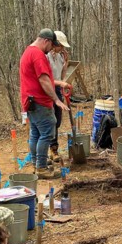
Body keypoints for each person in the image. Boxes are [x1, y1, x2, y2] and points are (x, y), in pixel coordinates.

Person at [21, 29, 69, 178]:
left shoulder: (28, 51)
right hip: (39, 101)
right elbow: (44, 80)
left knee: (35, 133)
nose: (51, 49)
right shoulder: (38, 55)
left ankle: (37, 164)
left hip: (30, 100)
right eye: (51, 45)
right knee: (48, 131)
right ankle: (41, 167)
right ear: (46, 41)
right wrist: (56, 99)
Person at [46, 30, 73, 164]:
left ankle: (54, 148)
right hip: (47, 90)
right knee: (49, 121)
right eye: (60, 46)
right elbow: (46, 79)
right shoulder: (46, 57)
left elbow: (62, 77)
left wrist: (65, 63)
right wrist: (61, 83)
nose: (62, 49)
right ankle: (50, 150)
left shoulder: (59, 57)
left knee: (57, 121)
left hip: (57, 89)